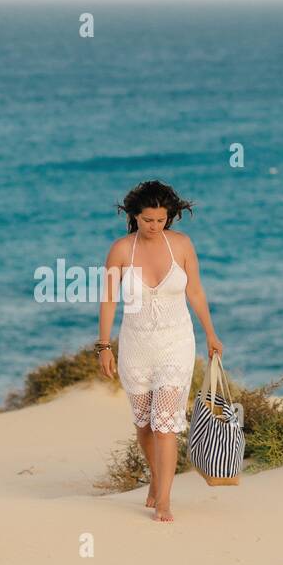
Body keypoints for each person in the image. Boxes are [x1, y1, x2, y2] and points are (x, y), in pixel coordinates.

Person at [96, 181, 222, 522]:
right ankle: (157, 478)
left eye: (161, 220)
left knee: (165, 424)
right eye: (148, 220)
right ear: (135, 216)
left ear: (170, 217)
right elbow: (108, 299)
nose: (154, 226)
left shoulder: (181, 245)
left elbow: (195, 290)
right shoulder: (121, 250)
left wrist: (210, 332)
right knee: (144, 425)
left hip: (176, 343)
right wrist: (104, 346)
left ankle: (164, 499)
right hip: (136, 346)